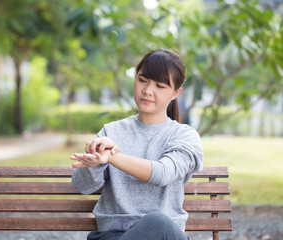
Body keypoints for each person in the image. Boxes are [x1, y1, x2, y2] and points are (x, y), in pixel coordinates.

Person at [70, 49, 204, 240]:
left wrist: (112, 157)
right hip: (113, 236)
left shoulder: (184, 136)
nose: (147, 91)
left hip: (165, 237)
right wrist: (95, 164)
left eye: (159, 85)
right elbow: (81, 186)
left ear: (176, 93)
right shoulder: (111, 132)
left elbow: (163, 173)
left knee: (157, 223)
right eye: (142, 80)